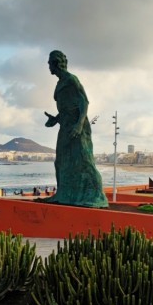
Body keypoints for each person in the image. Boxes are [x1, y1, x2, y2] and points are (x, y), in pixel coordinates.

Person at [40, 50, 107, 208]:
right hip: (65, 125)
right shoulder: (59, 83)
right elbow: (66, 107)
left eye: (50, 63)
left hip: (78, 127)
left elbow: (84, 102)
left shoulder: (71, 79)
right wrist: (55, 119)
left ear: (56, 63)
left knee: (84, 160)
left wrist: (79, 124)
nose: (48, 66)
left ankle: (97, 195)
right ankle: (63, 193)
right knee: (61, 162)